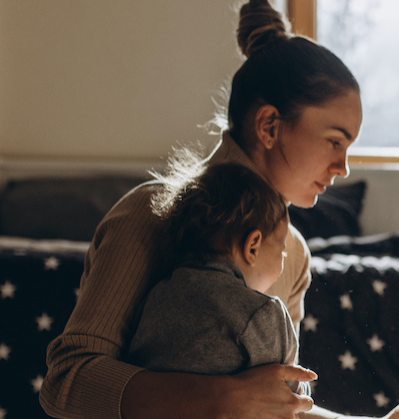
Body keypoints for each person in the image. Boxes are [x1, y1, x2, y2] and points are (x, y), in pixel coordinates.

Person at [39, 0, 399, 419]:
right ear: (269, 125)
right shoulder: (149, 214)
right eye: (335, 140)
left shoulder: (294, 253)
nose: (343, 167)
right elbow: (67, 382)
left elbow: (275, 405)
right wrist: (220, 398)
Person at [126, 163, 308, 395]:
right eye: (282, 251)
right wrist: (303, 388)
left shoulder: (154, 297)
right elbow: (291, 399)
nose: (283, 261)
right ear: (252, 246)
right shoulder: (263, 313)